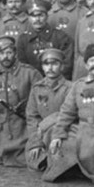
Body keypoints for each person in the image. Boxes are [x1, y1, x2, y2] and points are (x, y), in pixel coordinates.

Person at [50, 44, 94, 184]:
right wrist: (57, 135)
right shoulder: (78, 86)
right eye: (92, 61)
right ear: (86, 65)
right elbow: (66, 113)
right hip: (85, 133)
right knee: (62, 153)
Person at [0, 35, 40, 167]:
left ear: (15, 53)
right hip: (2, 129)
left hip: (25, 127)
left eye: (9, 52)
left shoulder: (30, 73)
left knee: (31, 157)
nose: (5, 57)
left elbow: (41, 102)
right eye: (1, 53)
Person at [25, 48, 74, 178]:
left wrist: (45, 125)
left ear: (62, 66)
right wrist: (36, 142)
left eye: (54, 64)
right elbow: (32, 117)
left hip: (63, 134)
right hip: (41, 136)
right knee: (34, 158)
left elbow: (68, 115)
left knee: (61, 158)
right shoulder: (37, 88)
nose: (50, 68)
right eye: (46, 64)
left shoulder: (70, 88)